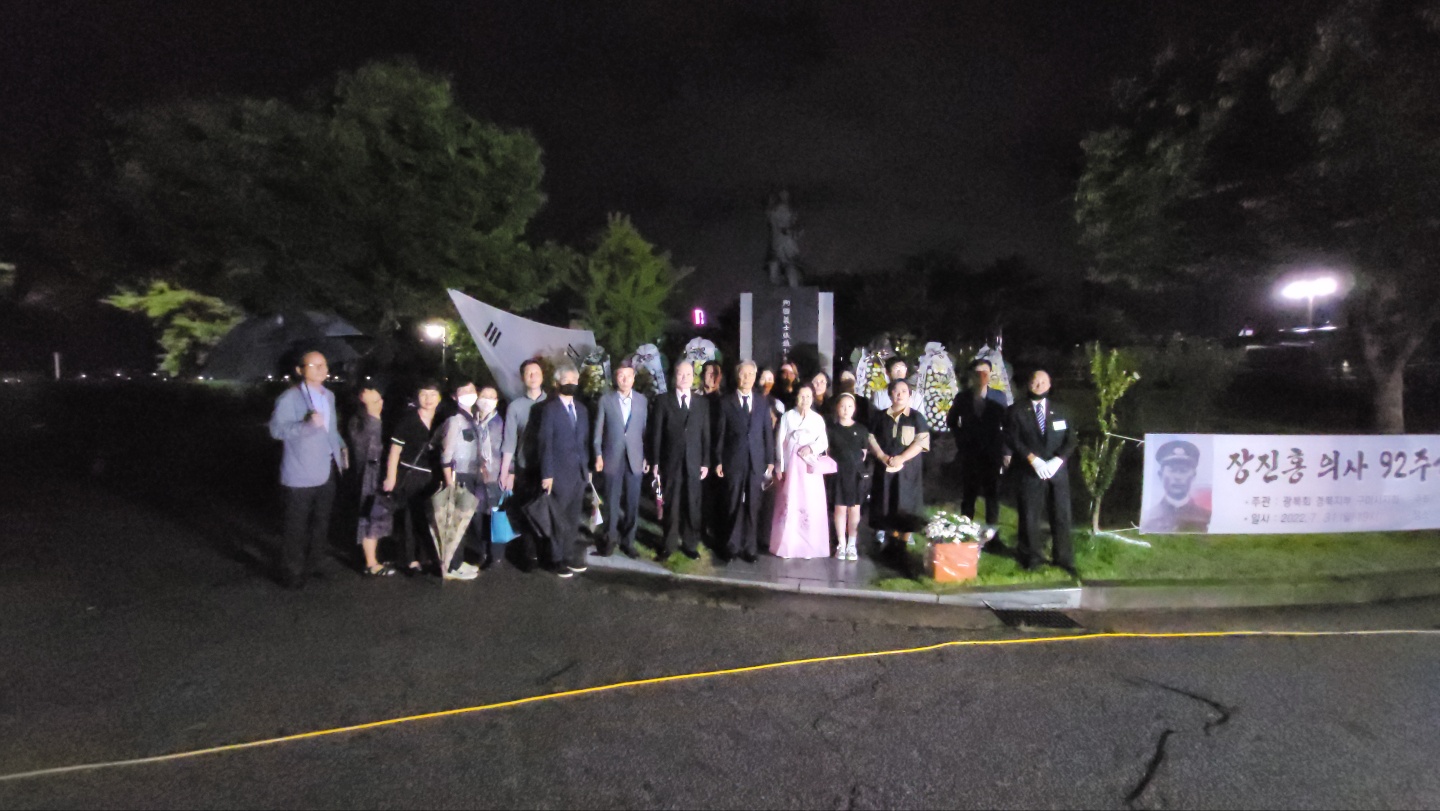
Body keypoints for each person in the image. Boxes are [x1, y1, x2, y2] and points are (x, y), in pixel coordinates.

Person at [268, 350, 348, 589]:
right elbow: (276, 430)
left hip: (327, 468)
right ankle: (292, 571)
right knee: (296, 525)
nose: (321, 369)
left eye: (324, 364)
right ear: (299, 370)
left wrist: (341, 446)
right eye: (314, 365)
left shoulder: (329, 395)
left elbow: (330, 429)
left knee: (321, 521)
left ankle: (314, 563)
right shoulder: (290, 398)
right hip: (300, 472)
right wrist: (305, 425)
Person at [1006, 369, 1079, 575]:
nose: (1039, 385)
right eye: (1035, 382)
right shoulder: (1016, 411)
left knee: (1061, 515)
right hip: (1030, 471)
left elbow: (1071, 439)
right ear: (1029, 384)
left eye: (1043, 382)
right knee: (1030, 515)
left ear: (1050, 384)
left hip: (1057, 472)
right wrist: (1033, 460)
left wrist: (1058, 460)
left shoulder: (1062, 410)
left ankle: (1063, 558)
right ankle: (1031, 557)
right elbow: (1013, 438)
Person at [437, 382, 504, 579]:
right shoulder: (455, 420)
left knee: (463, 522)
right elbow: (446, 454)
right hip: (458, 475)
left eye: (471, 391)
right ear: (454, 396)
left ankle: (457, 562)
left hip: (472, 475)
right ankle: (451, 566)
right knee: (456, 522)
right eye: (463, 391)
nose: (469, 394)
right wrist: (449, 481)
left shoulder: (471, 419)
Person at [647, 361, 711, 561]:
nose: (684, 378)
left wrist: (706, 461)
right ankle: (668, 545)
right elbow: (656, 433)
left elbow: (705, 434)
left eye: (688, 374)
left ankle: (690, 544)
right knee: (671, 505)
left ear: (693, 377)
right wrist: (655, 461)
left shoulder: (701, 403)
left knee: (692, 504)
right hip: (670, 462)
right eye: (681, 374)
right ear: (675, 376)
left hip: (694, 462)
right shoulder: (663, 401)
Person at [714, 360, 776, 562]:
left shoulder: (762, 402)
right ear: (737, 376)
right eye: (743, 374)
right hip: (733, 459)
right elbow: (720, 434)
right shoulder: (726, 402)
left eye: (750, 374)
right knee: (732, 502)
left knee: (753, 504)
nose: (747, 378)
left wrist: (770, 459)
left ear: (755, 377)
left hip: (756, 460)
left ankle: (750, 547)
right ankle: (731, 545)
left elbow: (767, 432)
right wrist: (718, 460)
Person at [537, 363, 592, 578]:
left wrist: (586, 468)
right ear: (557, 383)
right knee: (557, 518)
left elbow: (584, 442)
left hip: (578, 473)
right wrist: (547, 473)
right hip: (558, 473)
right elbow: (545, 443)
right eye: (567, 379)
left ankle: (568, 554)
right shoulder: (550, 409)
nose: (571, 383)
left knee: (573, 517)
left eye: (574, 379)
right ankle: (555, 558)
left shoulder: (582, 410)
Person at [383, 380, 443, 576]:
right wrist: (391, 477)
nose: (428, 399)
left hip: (433, 476)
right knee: (410, 518)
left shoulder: (442, 420)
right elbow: (394, 451)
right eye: (424, 394)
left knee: (430, 517)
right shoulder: (408, 420)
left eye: (432, 395)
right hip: (411, 474)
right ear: (417, 397)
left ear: (439, 398)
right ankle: (410, 559)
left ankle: (427, 556)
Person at [592, 359, 649, 558]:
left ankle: (628, 542)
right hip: (612, 457)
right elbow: (598, 431)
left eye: (628, 376)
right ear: (616, 378)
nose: (624, 380)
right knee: (611, 502)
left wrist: (646, 457)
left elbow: (645, 432)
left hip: (635, 458)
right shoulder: (606, 400)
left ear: (634, 378)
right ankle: (609, 539)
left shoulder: (642, 401)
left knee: (633, 503)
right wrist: (598, 454)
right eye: (621, 376)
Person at [867, 378, 930, 553]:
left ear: (910, 395)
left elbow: (921, 442)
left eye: (904, 391)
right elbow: (870, 437)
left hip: (908, 471)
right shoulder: (880, 417)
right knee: (887, 502)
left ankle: (904, 541)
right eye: (896, 391)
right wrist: (881, 455)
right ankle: (891, 539)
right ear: (890, 394)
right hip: (885, 467)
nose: (900, 395)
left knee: (907, 503)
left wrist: (902, 458)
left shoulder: (916, 417)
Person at [946, 359, 1010, 527]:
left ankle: (992, 531)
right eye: (977, 373)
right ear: (971, 375)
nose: (981, 376)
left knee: (992, 493)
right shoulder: (962, 397)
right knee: (969, 493)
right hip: (970, 452)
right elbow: (952, 421)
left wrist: (1006, 451)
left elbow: (1007, 425)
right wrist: (961, 438)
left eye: (985, 373)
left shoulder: (999, 396)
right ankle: (965, 529)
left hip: (992, 451)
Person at [769, 385, 831, 559]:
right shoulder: (788, 416)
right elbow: (780, 442)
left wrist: (811, 448)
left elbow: (823, 442)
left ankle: (809, 546)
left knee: (809, 503)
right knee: (790, 501)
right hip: (791, 464)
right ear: (796, 398)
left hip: (808, 465)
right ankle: (787, 545)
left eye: (808, 396)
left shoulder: (817, 419)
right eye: (802, 396)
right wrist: (781, 466)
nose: (805, 400)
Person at [500, 358, 547, 568]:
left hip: (548, 468)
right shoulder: (515, 406)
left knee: (548, 511)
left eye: (536, 372)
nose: (532, 376)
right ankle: (530, 555)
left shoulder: (553, 404)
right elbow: (509, 441)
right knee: (527, 511)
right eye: (528, 373)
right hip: (525, 467)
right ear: (522, 378)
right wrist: (507, 471)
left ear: (543, 376)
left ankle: (547, 552)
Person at [347, 382, 394, 577]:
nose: (379, 403)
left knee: (379, 516)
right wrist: (373, 414)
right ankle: (370, 562)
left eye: (380, 399)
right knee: (369, 517)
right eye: (374, 401)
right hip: (368, 474)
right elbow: (364, 449)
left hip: (380, 472)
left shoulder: (381, 418)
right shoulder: (358, 422)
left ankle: (375, 556)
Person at [825, 393, 870, 561]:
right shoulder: (831, 430)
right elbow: (827, 452)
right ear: (837, 408)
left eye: (850, 406)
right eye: (843, 406)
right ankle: (841, 544)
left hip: (856, 475)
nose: (846, 409)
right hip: (838, 474)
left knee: (854, 509)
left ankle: (852, 544)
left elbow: (863, 453)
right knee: (840, 509)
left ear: (854, 408)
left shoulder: (861, 429)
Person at [1140, 440, 1212, 533]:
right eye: (1172, 470)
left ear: (1193, 476)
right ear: (1160, 475)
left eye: (1183, 470)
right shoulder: (1147, 518)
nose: (1177, 477)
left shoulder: (1207, 518)